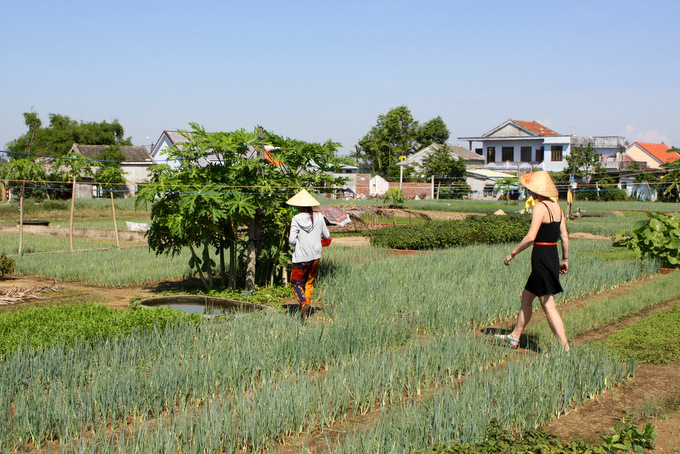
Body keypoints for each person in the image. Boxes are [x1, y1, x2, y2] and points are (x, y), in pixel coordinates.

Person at [499, 170, 571, 353]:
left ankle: (565, 349)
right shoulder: (558, 208)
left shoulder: (540, 208)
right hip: (552, 256)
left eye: (530, 189)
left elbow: (531, 236)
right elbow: (565, 236)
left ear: (536, 191)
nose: (529, 192)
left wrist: (513, 253)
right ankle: (515, 336)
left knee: (549, 306)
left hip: (541, 257)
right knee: (526, 297)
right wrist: (565, 260)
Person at [286, 189, 331, 320]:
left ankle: (304, 303)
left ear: (299, 206)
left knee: (295, 283)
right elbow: (327, 235)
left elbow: (292, 240)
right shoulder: (319, 216)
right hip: (316, 256)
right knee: (308, 283)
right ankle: (305, 315)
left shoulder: (296, 218)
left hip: (301, 257)